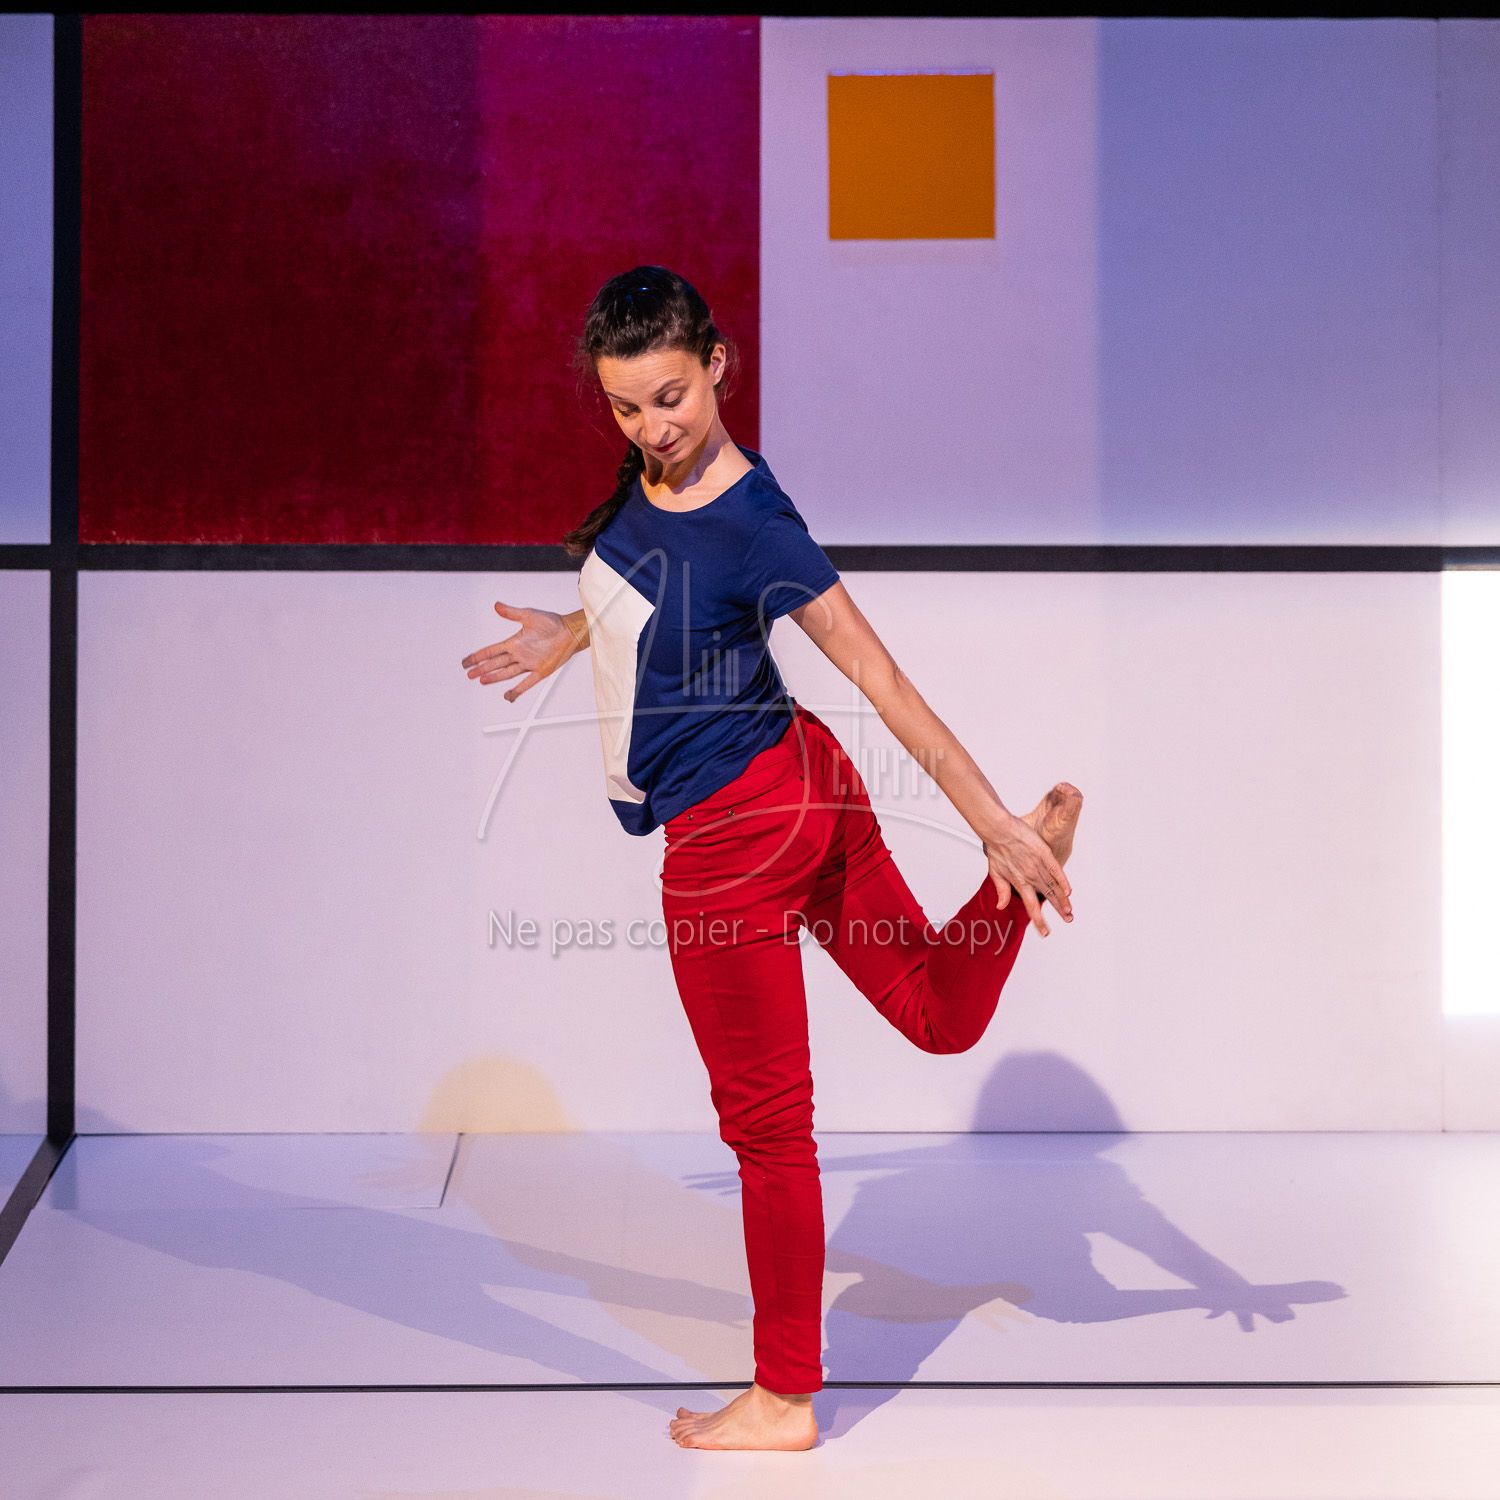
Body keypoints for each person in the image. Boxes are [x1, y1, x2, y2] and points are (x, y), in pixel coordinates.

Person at [461, 266, 1082, 1451]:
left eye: (673, 397)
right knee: (935, 1015)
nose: (653, 427)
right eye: (626, 406)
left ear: (719, 365)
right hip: (806, 791)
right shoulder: (674, 487)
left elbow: (881, 677)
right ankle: (1003, 902)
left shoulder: (759, 523)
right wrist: (571, 634)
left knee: (767, 1132)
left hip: (733, 845)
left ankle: (785, 1398)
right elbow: (669, 592)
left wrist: (988, 815)